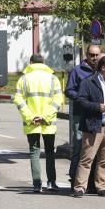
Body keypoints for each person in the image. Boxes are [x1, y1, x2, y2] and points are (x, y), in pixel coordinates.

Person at [13, 53, 63, 193]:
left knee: (34, 152)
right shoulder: (53, 79)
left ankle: (36, 184)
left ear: (30, 62)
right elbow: (58, 100)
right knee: (49, 151)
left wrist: (31, 117)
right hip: (48, 122)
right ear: (44, 62)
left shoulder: (23, 79)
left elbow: (18, 99)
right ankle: (51, 182)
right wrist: (45, 117)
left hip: (31, 122)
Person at [73, 55, 105, 198]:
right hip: (94, 126)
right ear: (103, 68)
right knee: (87, 158)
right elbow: (80, 100)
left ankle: (101, 186)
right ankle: (80, 187)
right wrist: (96, 107)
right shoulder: (89, 82)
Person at [66, 44, 99, 188]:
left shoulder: (102, 70)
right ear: (87, 55)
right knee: (79, 146)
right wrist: (82, 97)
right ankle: (74, 177)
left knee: (94, 147)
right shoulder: (77, 71)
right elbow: (69, 90)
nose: (94, 58)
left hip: (97, 114)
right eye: (92, 55)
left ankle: (92, 180)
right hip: (81, 114)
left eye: (97, 55)